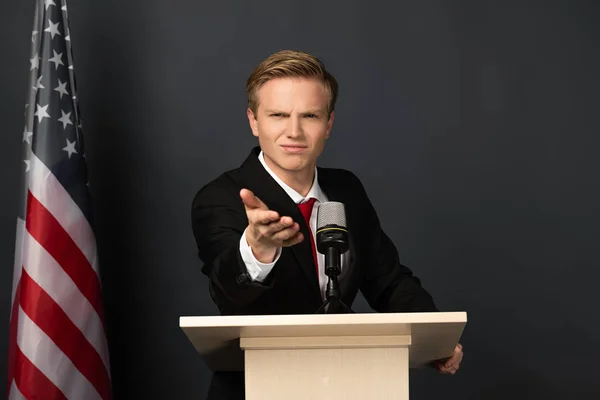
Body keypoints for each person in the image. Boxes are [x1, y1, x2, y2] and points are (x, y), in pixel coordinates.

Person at [191, 49, 463, 399]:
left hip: (349, 384)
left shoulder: (346, 189)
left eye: (310, 116)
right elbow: (227, 294)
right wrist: (257, 250)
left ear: (329, 124)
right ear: (253, 121)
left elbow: (388, 280)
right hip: (257, 389)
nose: (294, 131)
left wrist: (435, 337)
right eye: (278, 115)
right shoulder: (221, 196)